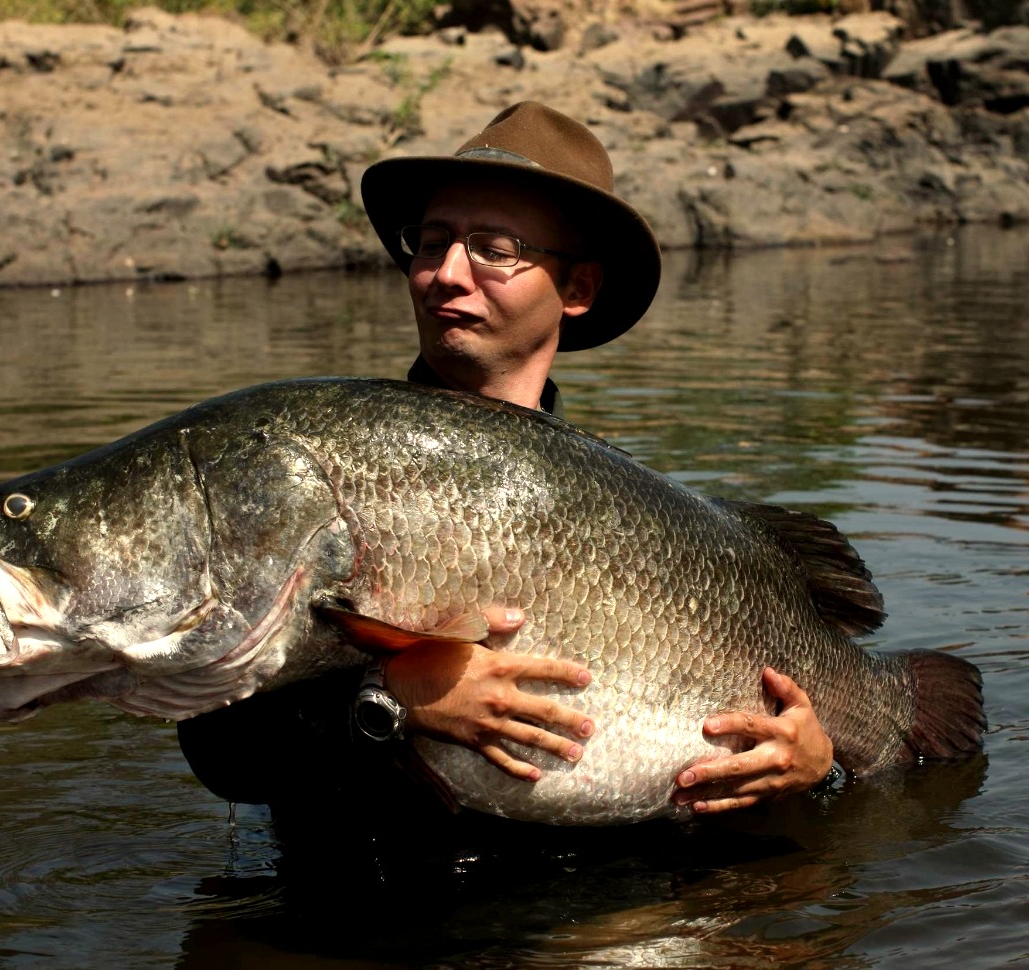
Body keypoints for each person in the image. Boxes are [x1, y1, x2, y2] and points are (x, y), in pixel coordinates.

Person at [177, 102, 835, 834]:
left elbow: (770, 751)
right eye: (431, 242)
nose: (445, 274)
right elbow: (218, 748)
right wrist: (387, 700)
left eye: (494, 247)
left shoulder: (634, 513)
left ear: (577, 289)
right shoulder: (327, 470)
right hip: (362, 920)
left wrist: (819, 763)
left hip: (597, 907)